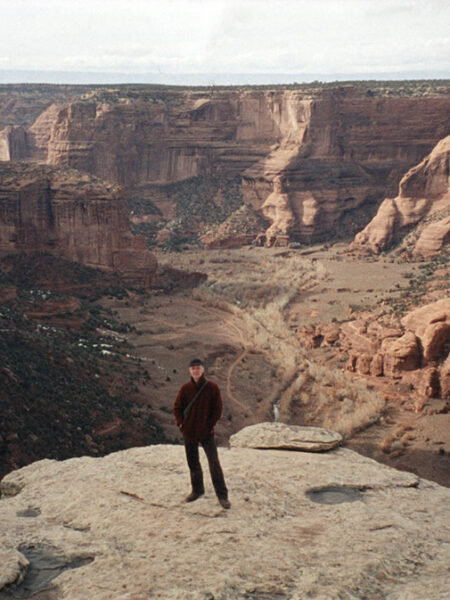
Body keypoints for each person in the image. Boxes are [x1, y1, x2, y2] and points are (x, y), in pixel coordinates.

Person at [173, 358, 230, 509]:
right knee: (193, 462)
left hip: (206, 432)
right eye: (193, 368)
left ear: (203, 370)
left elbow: (217, 410)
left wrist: (209, 425)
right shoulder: (185, 389)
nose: (195, 371)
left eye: (198, 368)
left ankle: (222, 495)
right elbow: (177, 408)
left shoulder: (212, 387)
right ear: (189, 371)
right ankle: (197, 490)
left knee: (214, 463)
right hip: (189, 431)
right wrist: (181, 424)